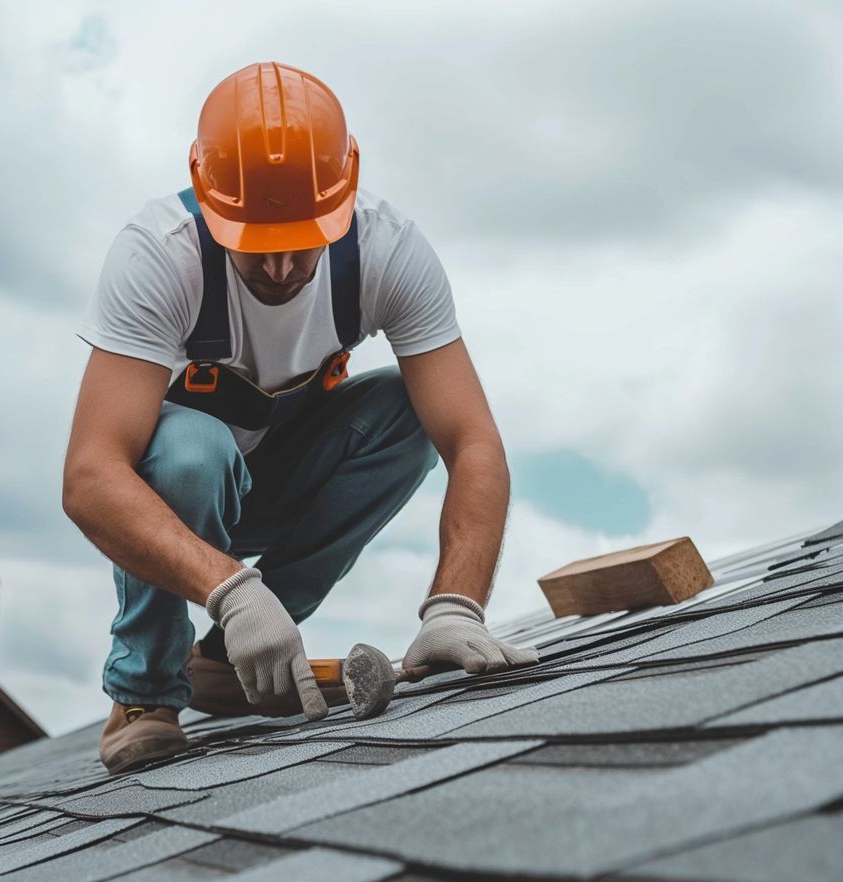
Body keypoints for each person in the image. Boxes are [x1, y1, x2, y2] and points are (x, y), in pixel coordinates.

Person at [63, 61, 538, 774]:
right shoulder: (160, 258)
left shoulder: (388, 250)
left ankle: (231, 663)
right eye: (256, 242)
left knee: (406, 412)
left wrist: (455, 605)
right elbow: (92, 477)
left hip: (288, 484)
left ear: (346, 194)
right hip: (187, 499)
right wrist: (232, 591)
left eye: (303, 239)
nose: (282, 268)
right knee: (193, 450)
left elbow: (473, 442)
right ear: (206, 193)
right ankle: (145, 691)